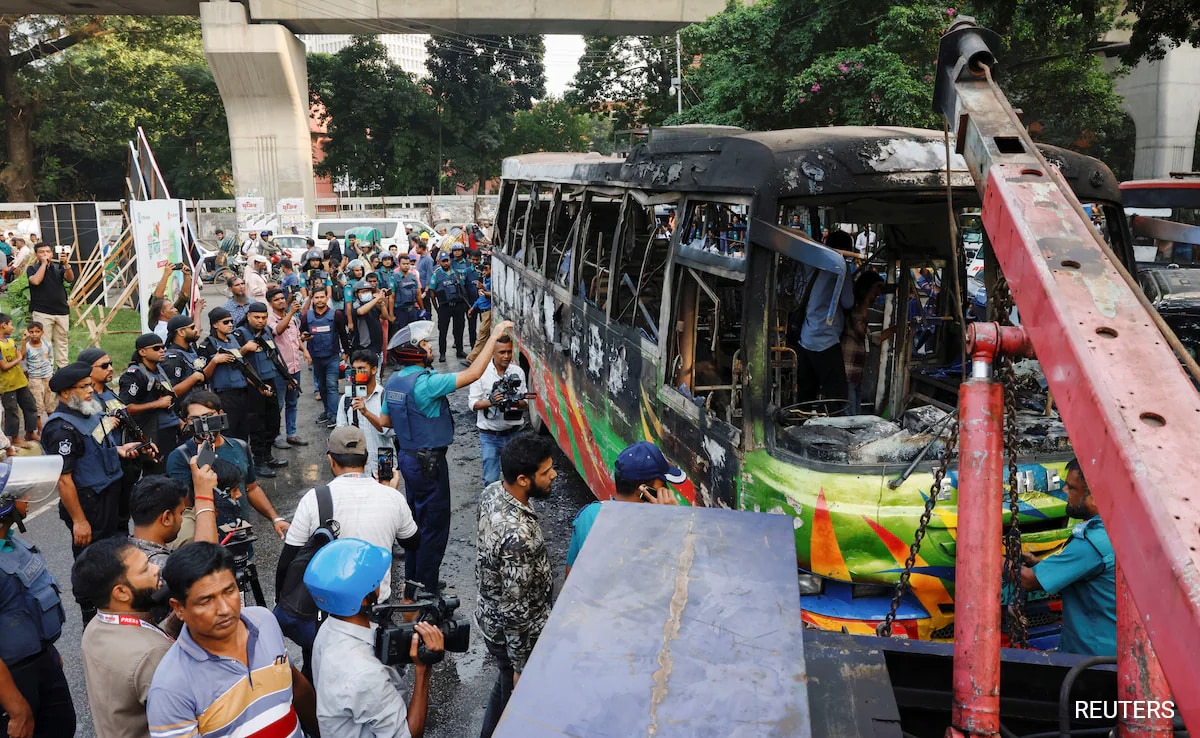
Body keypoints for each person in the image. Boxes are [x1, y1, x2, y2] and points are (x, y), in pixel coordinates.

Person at [381, 318, 515, 603]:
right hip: (429, 465)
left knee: (415, 523)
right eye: (425, 344)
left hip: (407, 459)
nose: (429, 346)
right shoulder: (427, 384)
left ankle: (412, 583)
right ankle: (426, 588)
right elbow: (475, 373)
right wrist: (494, 335)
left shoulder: (393, 381)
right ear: (415, 352)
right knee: (435, 528)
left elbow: (384, 421)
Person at [274, 426, 418, 677]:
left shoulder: (315, 498)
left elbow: (289, 559)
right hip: (374, 609)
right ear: (366, 459)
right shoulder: (392, 498)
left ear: (331, 459)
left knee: (319, 673)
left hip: (325, 614)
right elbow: (412, 542)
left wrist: (282, 600)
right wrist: (390, 494)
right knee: (377, 676)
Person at [147, 542, 319, 738]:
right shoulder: (170, 688)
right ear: (178, 608)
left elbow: (295, 684)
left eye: (229, 591)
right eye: (206, 600)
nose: (224, 609)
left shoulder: (264, 622)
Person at [305, 539, 443, 738]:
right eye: (374, 579)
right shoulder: (364, 676)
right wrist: (423, 670)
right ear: (361, 597)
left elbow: (383, 657)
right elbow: (408, 735)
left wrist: (407, 624)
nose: (379, 582)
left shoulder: (329, 628)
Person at [475, 433, 558, 738]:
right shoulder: (518, 537)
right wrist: (521, 665)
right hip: (515, 635)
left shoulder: (493, 492)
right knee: (513, 694)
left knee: (503, 683)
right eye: (546, 472)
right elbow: (516, 609)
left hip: (492, 619)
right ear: (523, 479)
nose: (554, 475)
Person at [42, 363, 148, 572]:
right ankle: (88, 604)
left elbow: (94, 447)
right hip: (91, 502)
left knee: (116, 552)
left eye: (90, 385)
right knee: (92, 560)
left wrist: (118, 449)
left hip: (112, 493)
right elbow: (64, 479)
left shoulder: (90, 414)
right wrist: (79, 521)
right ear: (65, 393)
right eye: (83, 387)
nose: (90, 390)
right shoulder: (61, 429)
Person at [0, 462, 76, 738]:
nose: (28, 498)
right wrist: (17, 708)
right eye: (21, 495)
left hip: (41, 662)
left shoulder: (10, 541)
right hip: (12, 678)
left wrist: (49, 653)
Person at [71, 536, 174, 738]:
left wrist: (173, 622)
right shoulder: (153, 654)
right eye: (145, 569)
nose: (156, 570)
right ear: (121, 593)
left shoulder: (95, 627)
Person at [1019, 458, 1116, 657]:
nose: (1063, 491)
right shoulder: (1117, 529)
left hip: (1092, 658)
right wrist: (1042, 565)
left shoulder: (1092, 543)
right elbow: (1086, 573)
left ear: (1096, 497)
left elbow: (1029, 580)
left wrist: (989, 555)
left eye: (1071, 488)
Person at [166, 390, 290, 542]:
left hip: (241, 537)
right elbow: (184, 509)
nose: (204, 424)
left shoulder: (239, 446)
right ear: (186, 421)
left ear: (221, 414)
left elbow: (251, 488)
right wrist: (204, 462)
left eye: (209, 416)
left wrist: (275, 518)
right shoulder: (180, 457)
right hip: (208, 543)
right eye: (195, 419)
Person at [565, 441, 684, 577]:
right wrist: (675, 521)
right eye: (663, 485)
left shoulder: (589, 514)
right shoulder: (654, 529)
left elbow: (570, 575)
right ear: (645, 490)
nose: (667, 491)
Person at [795, 230, 856, 403]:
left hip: (805, 337)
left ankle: (801, 427)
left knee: (806, 397)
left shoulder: (810, 264)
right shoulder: (840, 267)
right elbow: (848, 302)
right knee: (838, 398)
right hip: (826, 340)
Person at [118, 333, 183, 474]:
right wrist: (157, 404)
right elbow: (125, 408)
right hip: (154, 432)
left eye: (163, 347)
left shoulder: (160, 369)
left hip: (171, 429)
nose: (162, 350)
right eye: (156, 348)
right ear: (142, 352)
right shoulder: (134, 374)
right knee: (158, 473)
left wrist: (178, 420)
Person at [468, 334, 527, 487]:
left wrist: (513, 400)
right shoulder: (480, 373)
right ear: (492, 352)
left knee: (516, 480)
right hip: (489, 437)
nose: (506, 356)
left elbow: (525, 402)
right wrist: (491, 401)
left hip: (514, 433)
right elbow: (472, 403)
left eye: (509, 351)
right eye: (502, 352)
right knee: (490, 479)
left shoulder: (518, 372)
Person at [234, 302, 288, 471]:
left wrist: (287, 378)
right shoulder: (240, 334)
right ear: (248, 316)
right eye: (256, 317)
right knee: (256, 424)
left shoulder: (266, 332)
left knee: (273, 421)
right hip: (252, 385)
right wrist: (244, 349)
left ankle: (268, 454)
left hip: (270, 382)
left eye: (264, 317)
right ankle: (259, 461)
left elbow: (275, 356)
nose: (260, 321)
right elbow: (232, 359)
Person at [841, 271, 897, 415]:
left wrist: (895, 329)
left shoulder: (858, 311)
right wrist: (867, 298)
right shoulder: (853, 310)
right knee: (850, 417)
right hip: (848, 373)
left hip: (856, 374)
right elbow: (860, 327)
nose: (877, 294)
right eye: (875, 289)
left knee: (855, 414)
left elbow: (872, 339)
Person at [196, 306, 251, 442]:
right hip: (224, 396)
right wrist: (214, 361)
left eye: (231, 321)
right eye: (226, 322)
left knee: (244, 431)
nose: (230, 325)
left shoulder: (233, 340)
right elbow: (202, 377)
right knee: (228, 433)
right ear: (215, 324)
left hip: (242, 392)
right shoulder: (207, 345)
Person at [336, 350, 392, 476]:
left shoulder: (384, 396)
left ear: (374, 370)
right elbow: (340, 432)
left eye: (361, 369)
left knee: (384, 493)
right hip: (356, 464)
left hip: (383, 458)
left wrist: (366, 412)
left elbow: (389, 432)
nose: (357, 374)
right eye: (354, 369)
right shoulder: (346, 399)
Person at [301, 287, 351, 427]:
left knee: (332, 386)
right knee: (322, 387)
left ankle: (334, 416)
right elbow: (300, 334)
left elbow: (343, 334)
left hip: (332, 357)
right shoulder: (307, 317)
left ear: (327, 298)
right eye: (316, 297)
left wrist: (346, 353)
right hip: (316, 358)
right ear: (313, 299)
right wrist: (304, 336)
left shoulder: (336, 315)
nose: (319, 300)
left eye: (322, 297)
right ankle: (327, 411)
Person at [268, 288, 309, 448]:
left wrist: (304, 350)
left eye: (282, 298)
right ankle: (276, 436)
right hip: (279, 370)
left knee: (292, 403)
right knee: (278, 405)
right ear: (271, 303)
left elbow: (296, 338)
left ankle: (291, 434)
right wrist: (291, 312)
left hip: (295, 367)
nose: (281, 301)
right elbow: (278, 331)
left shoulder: (290, 317)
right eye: (277, 299)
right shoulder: (270, 319)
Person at [26, 243, 74, 370]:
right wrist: (43, 264)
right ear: (36, 254)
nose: (45, 254)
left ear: (52, 254)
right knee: (44, 342)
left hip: (61, 310)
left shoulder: (58, 267)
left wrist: (66, 264)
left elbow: (70, 279)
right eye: (41, 252)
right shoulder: (33, 268)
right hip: (42, 311)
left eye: (47, 251)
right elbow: (36, 281)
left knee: (62, 341)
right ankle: (46, 370)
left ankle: (63, 369)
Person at [0, 314, 38, 444]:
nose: (12, 327)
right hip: (7, 385)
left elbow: (21, 355)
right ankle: (15, 438)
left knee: (30, 405)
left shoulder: (9, 340)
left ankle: (30, 433)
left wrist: (24, 342)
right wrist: (17, 360)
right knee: (12, 412)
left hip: (19, 381)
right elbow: (4, 366)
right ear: (3, 325)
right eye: (10, 324)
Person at [429, 252, 470, 362]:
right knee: (443, 331)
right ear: (439, 262)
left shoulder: (456, 273)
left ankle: (460, 350)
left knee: (459, 329)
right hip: (444, 307)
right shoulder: (436, 275)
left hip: (458, 306)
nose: (446, 263)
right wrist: (437, 308)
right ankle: (442, 353)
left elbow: (462, 288)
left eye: (447, 260)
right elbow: (432, 292)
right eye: (443, 261)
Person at [161, 314, 212, 397]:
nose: (196, 330)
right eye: (192, 328)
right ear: (181, 332)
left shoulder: (191, 349)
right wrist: (193, 378)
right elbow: (170, 392)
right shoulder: (172, 359)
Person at [349, 279, 391, 361]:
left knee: (377, 372)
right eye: (363, 292)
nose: (366, 294)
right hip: (363, 347)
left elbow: (385, 317)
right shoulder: (355, 305)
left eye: (368, 291)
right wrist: (377, 298)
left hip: (377, 346)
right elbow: (361, 311)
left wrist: (382, 303)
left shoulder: (373, 303)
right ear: (356, 294)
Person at [22, 322, 53, 429]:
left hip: (48, 377)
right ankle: (40, 430)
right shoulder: (27, 347)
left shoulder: (47, 345)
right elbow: (23, 361)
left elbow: (50, 358)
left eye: (37, 332)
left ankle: (52, 427)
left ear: (42, 332)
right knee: (37, 405)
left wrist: (50, 371)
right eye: (31, 332)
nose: (34, 334)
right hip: (35, 379)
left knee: (50, 403)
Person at [464, 259, 493, 364]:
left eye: (486, 269)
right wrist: (473, 307)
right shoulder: (485, 279)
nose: (484, 271)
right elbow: (481, 297)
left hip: (488, 311)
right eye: (483, 269)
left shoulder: (492, 281)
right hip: (483, 311)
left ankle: (471, 359)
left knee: (481, 336)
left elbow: (494, 294)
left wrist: (484, 289)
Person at [392, 253, 425, 334]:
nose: (406, 266)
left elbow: (418, 294)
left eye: (408, 264)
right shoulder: (394, 278)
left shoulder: (413, 277)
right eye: (403, 264)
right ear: (399, 264)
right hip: (400, 311)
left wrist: (422, 309)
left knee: (414, 334)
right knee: (402, 334)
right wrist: (391, 314)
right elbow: (391, 297)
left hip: (412, 309)